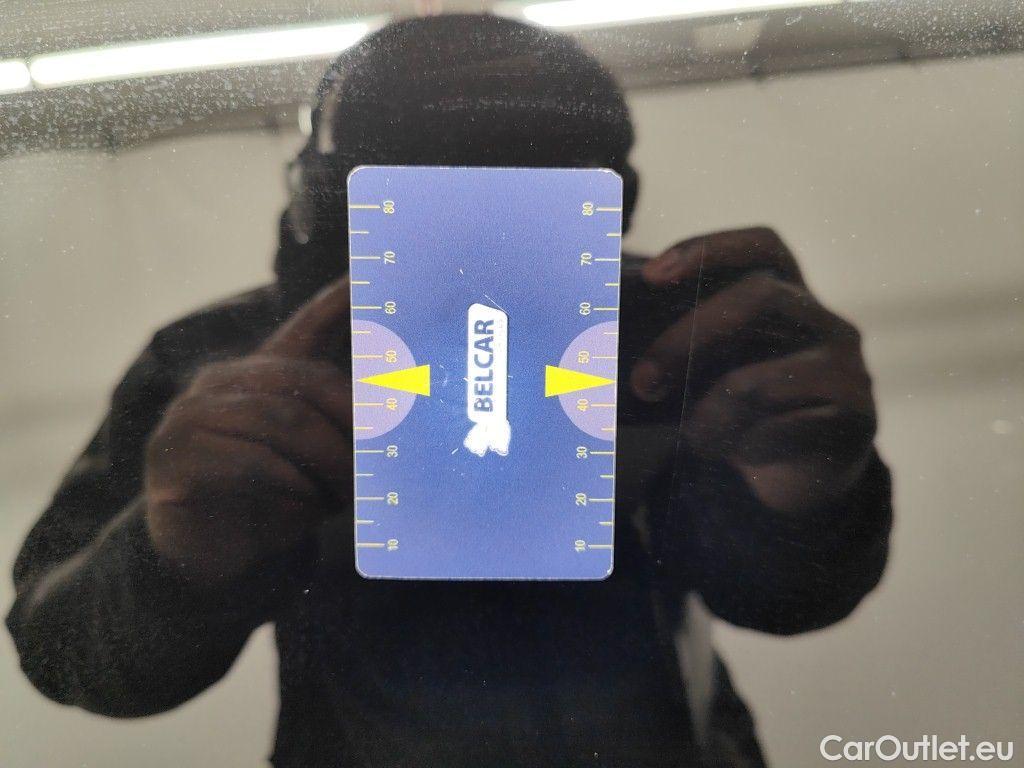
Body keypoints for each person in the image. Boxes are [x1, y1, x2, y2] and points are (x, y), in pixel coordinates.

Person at [6, 14, 891, 768]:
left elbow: (785, 595)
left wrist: (811, 489)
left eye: (517, 187)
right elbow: (62, 648)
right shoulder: (227, 360)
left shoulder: (674, 325)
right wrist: (172, 552)